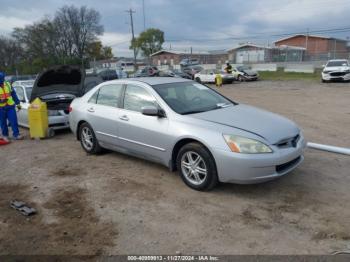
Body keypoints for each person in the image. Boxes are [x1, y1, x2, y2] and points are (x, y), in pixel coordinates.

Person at [0, 72, 23, 142]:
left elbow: (13, 94)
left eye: (2, 79)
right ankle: (5, 135)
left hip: (10, 106)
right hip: (1, 108)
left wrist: (18, 103)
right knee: (3, 122)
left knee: (13, 121)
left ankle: (16, 134)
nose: (1, 81)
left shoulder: (8, 84)